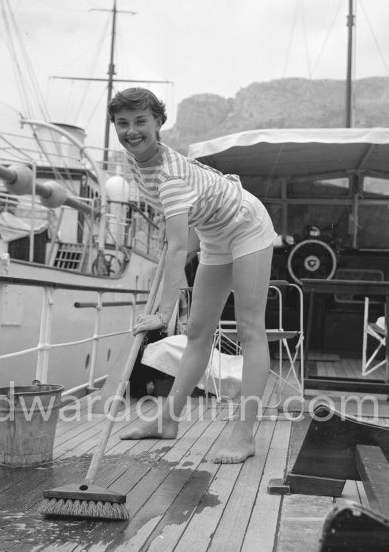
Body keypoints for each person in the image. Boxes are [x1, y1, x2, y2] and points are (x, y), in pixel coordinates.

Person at [108, 87, 277, 464]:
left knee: (250, 329)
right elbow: (180, 236)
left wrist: (162, 313)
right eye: (122, 124)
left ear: (159, 123)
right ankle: (167, 419)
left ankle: (244, 434)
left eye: (141, 122)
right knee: (198, 331)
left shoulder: (168, 177)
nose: (131, 131)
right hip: (215, 233)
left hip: (246, 225)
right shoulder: (138, 162)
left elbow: (177, 247)